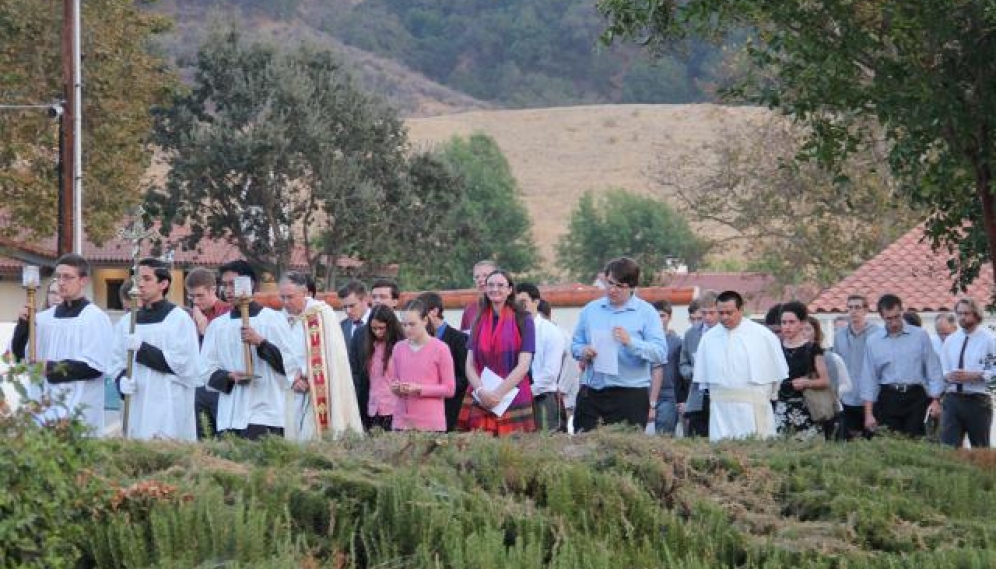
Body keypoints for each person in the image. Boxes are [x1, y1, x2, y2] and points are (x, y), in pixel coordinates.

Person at [13, 254, 114, 434]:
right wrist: (23, 326)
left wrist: (50, 367)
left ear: (83, 280)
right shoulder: (44, 319)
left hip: (79, 407)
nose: (61, 282)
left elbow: (94, 366)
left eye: (67, 277)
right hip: (43, 404)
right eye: (58, 276)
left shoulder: (95, 319)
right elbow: (20, 356)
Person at [202, 260, 296, 440]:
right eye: (225, 284)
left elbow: (290, 365)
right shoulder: (217, 326)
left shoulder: (273, 320)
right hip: (230, 413)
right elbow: (205, 370)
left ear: (250, 284)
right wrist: (229, 376)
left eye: (233, 284)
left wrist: (261, 343)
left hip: (264, 411)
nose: (228, 290)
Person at [571, 257, 667, 432]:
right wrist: (583, 351)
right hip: (592, 393)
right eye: (609, 283)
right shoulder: (591, 310)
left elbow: (660, 353)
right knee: (584, 450)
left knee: (626, 454)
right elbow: (575, 345)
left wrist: (631, 342)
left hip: (629, 395)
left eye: (619, 286)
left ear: (632, 287)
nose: (612, 290)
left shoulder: (647, 313)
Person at [111, 258, 200, 440]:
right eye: (137, 279)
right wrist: (120, 380)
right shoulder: (127, 321)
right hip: (137, 402)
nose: (140, 284)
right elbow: (116, 360)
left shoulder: (179, 319)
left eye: (146, 279)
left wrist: (142, 349)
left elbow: (185, 365)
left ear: (163, 283)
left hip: (168, 403)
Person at [693, 290, 788, 441]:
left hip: (752, 408)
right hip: (721, 411)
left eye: (729, 312)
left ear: (741, 310)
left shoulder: (763, 336)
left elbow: (777, 376)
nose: (724, 317)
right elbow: (704, 380)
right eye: (721, 312)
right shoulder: (708, 338)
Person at [280, 272, 362, 440]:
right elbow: (279, 351)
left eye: (290, 297)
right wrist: (293, 378)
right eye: (283, 297)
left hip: (321, 388)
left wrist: (308, 376)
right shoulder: (280, 318)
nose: (286, 302)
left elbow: (333, 356)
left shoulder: (322, 314)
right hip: (291, 387)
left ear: (304, 293)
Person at [458, 269, 537, 435]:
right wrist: (481, 391)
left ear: (509, 290)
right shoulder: (478, 320)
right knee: (478, 452)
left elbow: (523, 366)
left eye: (501, 285)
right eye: (491, 285)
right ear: (485, 289)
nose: (495, 289)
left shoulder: (523, 319)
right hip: (481, 395)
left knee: (514, 455)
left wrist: (497, 394)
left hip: (512, 395)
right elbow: (469, 364)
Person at [860, 294, 944, 438]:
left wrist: (936, 400)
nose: (894, 322)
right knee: (890, 444)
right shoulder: (873, 342)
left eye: (897, 316)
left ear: (902, 311)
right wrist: (868, 414)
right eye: (889, 318)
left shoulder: (920, 336)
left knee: (916, 443)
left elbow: (933, 369)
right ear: (881, 317)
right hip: (888, 396)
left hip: (916, 396)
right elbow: (869, 378)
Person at [389, 299, 456, 431]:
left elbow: (449, 389)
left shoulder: (440, 348)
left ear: (425, 321)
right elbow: (395, 380)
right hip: (401, 422)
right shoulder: (398, 348)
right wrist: (396, 387)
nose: (407, 329)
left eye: (412, 324)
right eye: (404, 324)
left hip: (430, 424)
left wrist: (419, 389)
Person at [938, 297, 994, 448]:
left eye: (966, 313)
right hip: (952, 399)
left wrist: (975, 375)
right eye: (959, 313)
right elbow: (942, 369)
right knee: (948, 448)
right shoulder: (951, 340)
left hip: (977, 400)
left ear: (976, 314)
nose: (962, 317)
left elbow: (993, 370)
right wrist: (947, 376)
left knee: (980, 448)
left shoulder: (988, 340)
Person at [185, 267, 231, 439]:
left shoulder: (228, 313)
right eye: (191, 297)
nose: (195, 301)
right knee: (202, 438)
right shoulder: (187, 317)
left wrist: (206, 331)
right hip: (197, 386)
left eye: (200, 296)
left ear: (213, 290)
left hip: (221, 384)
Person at [773, 301, 831, 438]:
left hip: (808, 408)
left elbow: (825, 380)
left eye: (792, 322)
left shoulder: (812, 348)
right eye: (784, 322)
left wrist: (807, 383)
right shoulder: (775, 348)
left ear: (802, 323)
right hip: (781, 408)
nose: (787, 327)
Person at [347, 278, 400, 429]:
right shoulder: (360, 334)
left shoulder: (404, 336)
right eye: (375, 297)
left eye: (383, 297)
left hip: (396, 408)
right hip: (369, 407)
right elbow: (355, 372)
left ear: (395, 301)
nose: (377, 301)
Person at [515, 282, 567, 431]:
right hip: (512, 399)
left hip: (541, 397)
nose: (518, 306)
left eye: (523, 302)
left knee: (543, 447)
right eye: (515, 302)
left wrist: (526, 392)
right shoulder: (512, 329)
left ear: (536, 302)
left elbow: (550, 373)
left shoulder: (550, 331)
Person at [418, 291, 469, 431]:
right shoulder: (417, 341)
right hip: (423, 410)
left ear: (434, 311)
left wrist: (439, 388)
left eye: (421, 314)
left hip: (450, 410)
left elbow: (465, 378)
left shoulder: (459, 339)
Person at [832, 294, 881, 440]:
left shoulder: (877, 334)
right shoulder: (839, 335)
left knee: (872, 440)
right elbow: (836, 365)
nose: (853, 311)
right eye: (850, 307)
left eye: (858, 307)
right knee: (846, 440)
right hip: (847, 397)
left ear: (866, 310)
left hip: (872, 397)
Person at [804, 315, 851, 440]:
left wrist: (829, 394)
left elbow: (847, 385)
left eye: (808, 329)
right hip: (805, 412)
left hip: (830, 411)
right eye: (801, 329)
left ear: (816, 332)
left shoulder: (831, 358)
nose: (804, 333)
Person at [680, 290, 719, 437]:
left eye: (712, 313)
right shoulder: (691, 334)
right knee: (695, 439)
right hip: (697, 396)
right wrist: (694, 371)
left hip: (720, 397)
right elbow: (683, 365)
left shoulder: (727, 333)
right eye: (704, 313)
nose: (707, 317)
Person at [358, 305, 403, 431]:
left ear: (390, 326)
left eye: (381, 328)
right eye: (374, 328)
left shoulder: (401, 346)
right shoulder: (371, 346)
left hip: (394, 408)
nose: (377, 332)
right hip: (373, 408)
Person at [539, 298, 580, 432]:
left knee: (560, 428)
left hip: (562, 392)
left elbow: (572, 363)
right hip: (546, 391)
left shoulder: (561, 334)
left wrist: (561, 389)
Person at [652, 300, 683, 436]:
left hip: (668, 396)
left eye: (662, 315)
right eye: (655, 316)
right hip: (643, 393)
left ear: (669, 317)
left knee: (664, 437)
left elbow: (681, 372)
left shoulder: (677, 342)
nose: (659, 319)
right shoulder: (642, 341)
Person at [460, 260, 497, 332]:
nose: (480, 280)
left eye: (485, 275)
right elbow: (464, 339)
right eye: (477, 277)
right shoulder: (469, 310)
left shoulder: (508, 307)